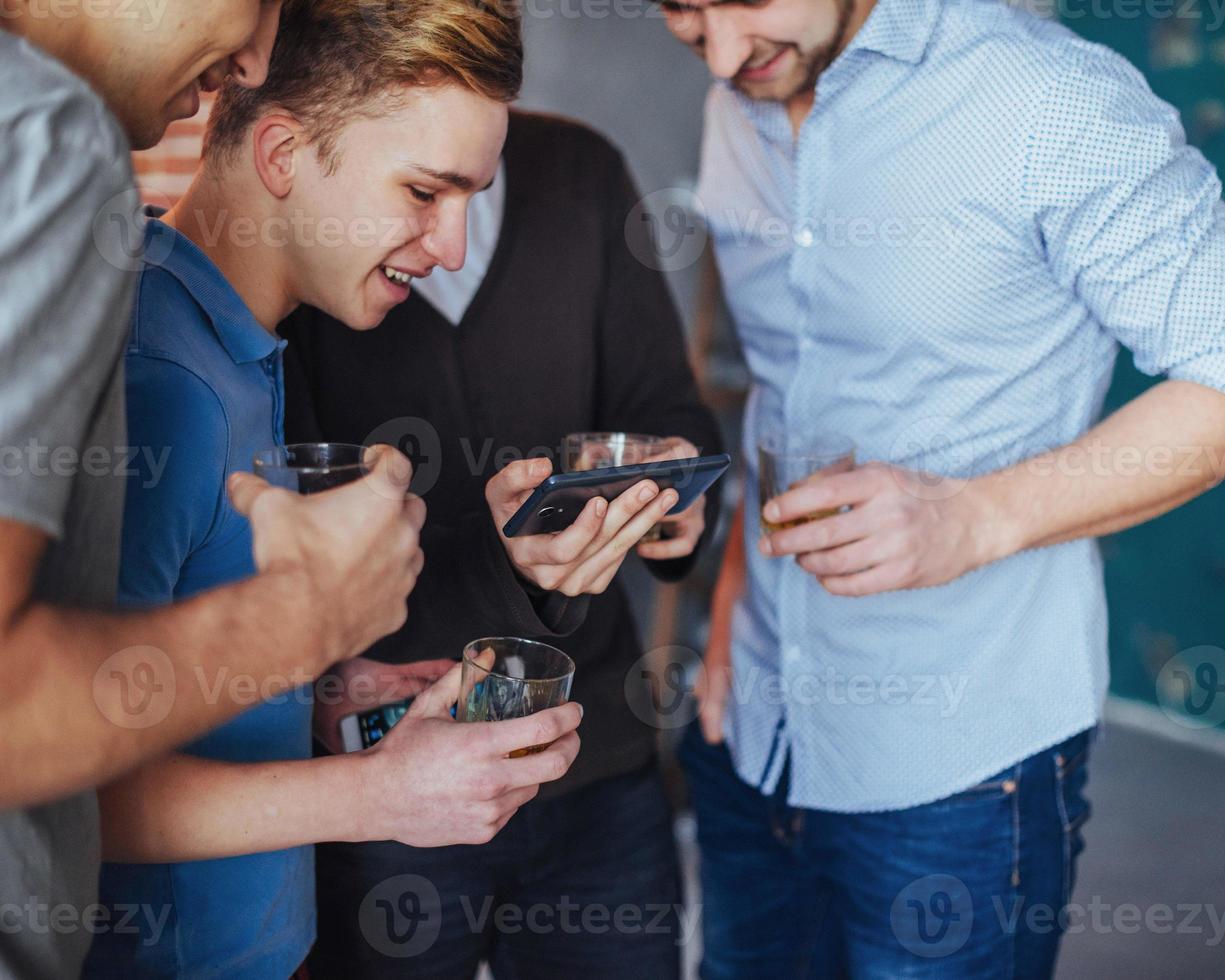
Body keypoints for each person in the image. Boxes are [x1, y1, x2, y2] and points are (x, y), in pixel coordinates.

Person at [663, 0, 1225, 976]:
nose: (718, 51)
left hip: (955, 772)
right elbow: (783, 390)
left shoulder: (1050, 100)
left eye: (742, 1)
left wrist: (972, 516)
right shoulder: (735, 102)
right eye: (679, 9)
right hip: (751, 720)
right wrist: (728, 603)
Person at [81, 1, 685, 975]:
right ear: (281, 154)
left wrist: (323, 695)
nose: (447, 247)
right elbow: (58, 786)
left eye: (469, 202)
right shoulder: (166, 383)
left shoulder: (238, 352)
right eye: (422, 192)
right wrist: (378, 797)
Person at [1, 2, 424, 976]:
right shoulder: (49, 141)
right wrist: (305, 617)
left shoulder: (255, 353)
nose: (257, 56)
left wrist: (311, 687)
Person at [280, 107, 724, 977]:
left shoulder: (581, 171)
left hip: (593, 763)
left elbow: (664, 408)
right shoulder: (304, 226)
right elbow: (278, 551)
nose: (448, 241)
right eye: (421, 193)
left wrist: (669, 498)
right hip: (388, 772)